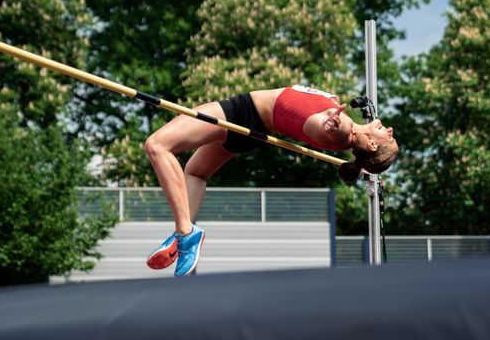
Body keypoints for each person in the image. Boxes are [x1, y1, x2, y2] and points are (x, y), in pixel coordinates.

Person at [143, 84, 398, 276]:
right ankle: (183, 232)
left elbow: (326, 126)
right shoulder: (347, 131)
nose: (390, 129)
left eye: (390, 136)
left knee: (157, 145)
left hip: (241, 113)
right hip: (254, 130)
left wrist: (330, 123)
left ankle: (185, 233)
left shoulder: (343, 132)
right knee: (196, 172)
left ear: (373, 144)